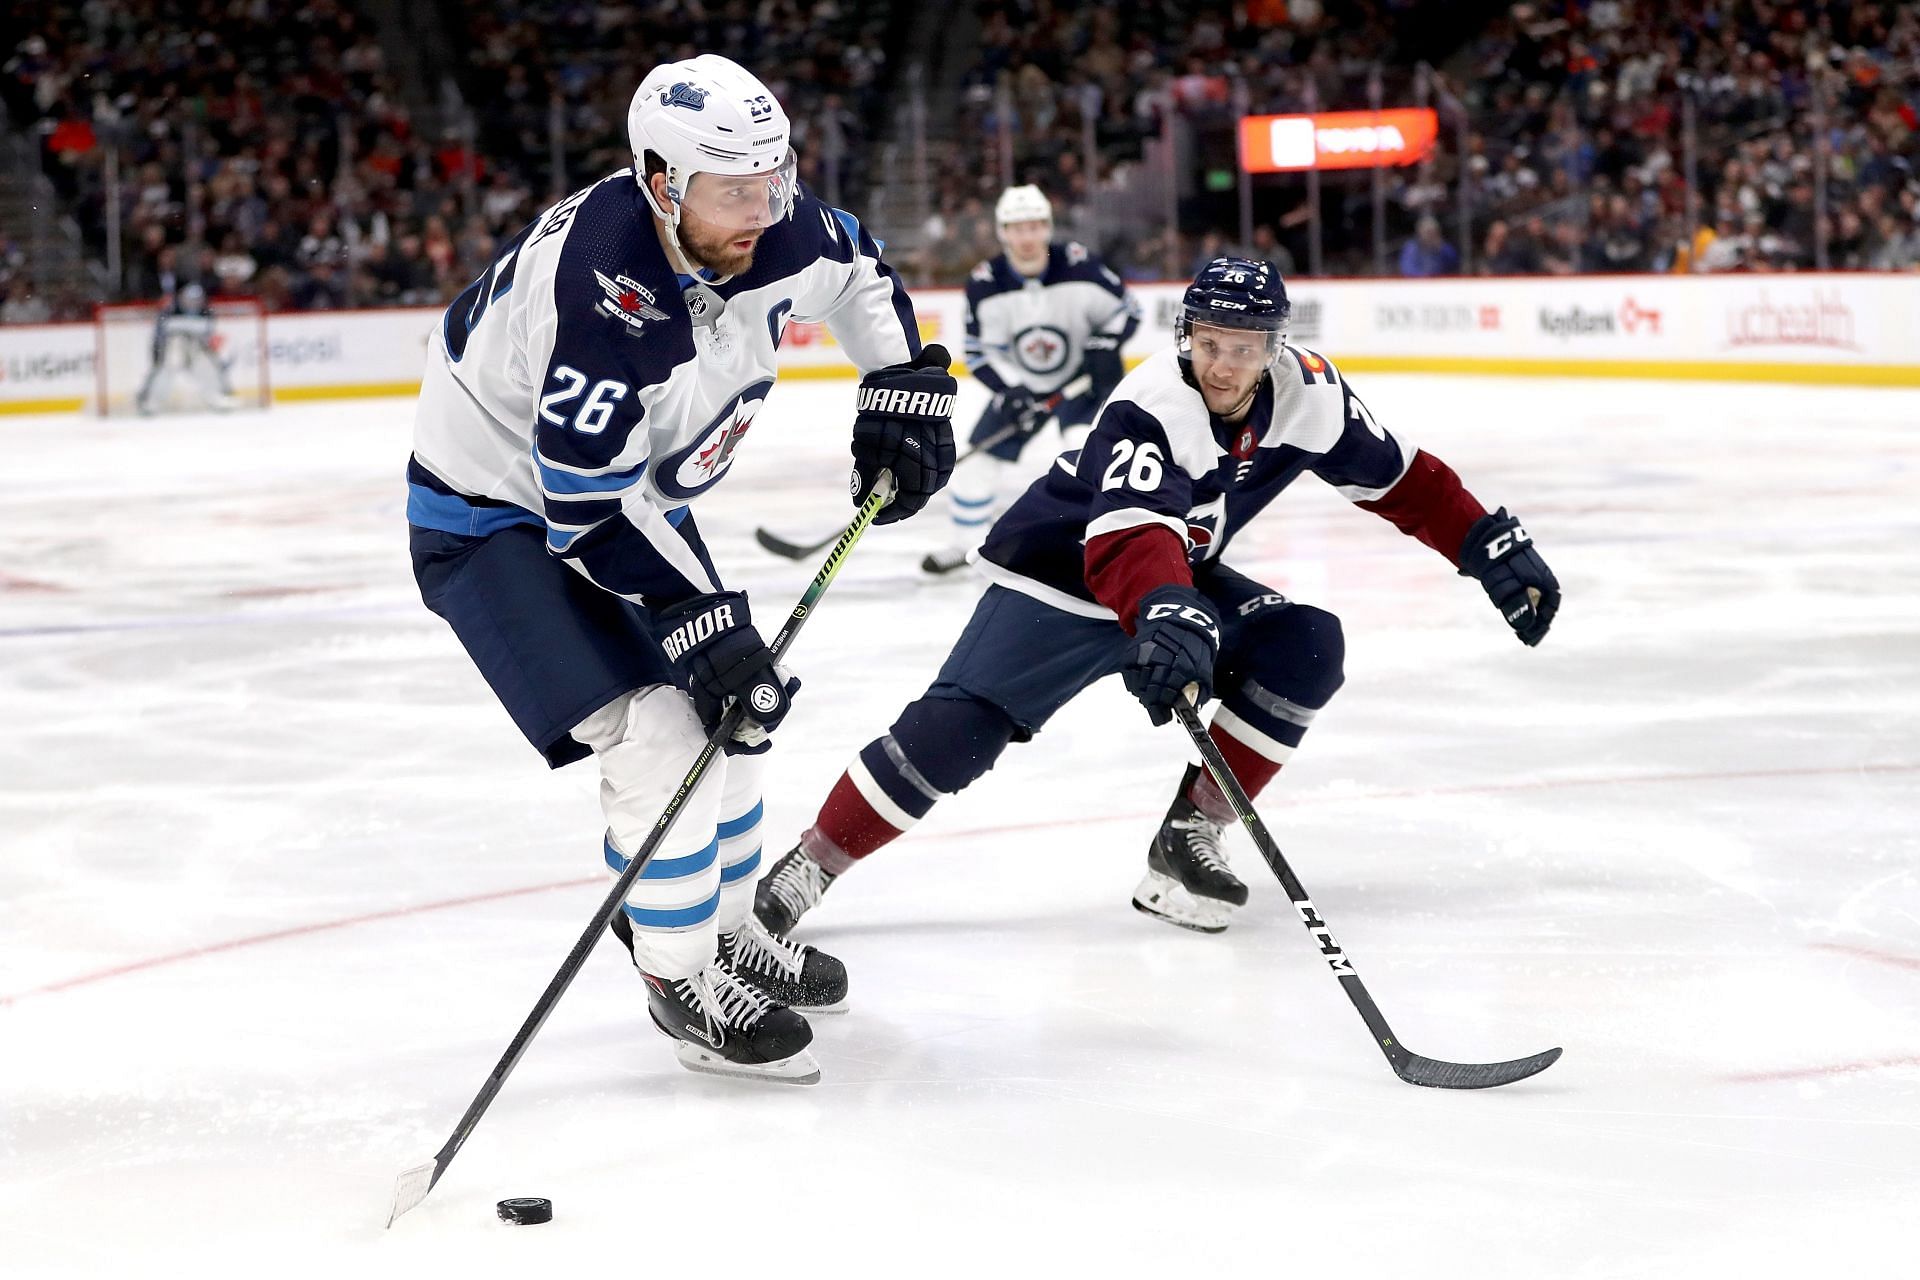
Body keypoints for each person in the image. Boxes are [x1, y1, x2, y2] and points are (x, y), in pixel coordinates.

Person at [405, 55, 956, 1084]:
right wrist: (700, 617)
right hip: (492, 518)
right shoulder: (607, 299)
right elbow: (580, 506)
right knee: (663, 730)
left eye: (774, 181)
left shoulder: (772, 218)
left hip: (626, 496)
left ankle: (734, 924)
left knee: (739, 710)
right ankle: (677, 973)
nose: (764, 210)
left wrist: (899, 381)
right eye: (733, 192)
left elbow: (861, 271)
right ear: (661, 181)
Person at [754, 257, 1559, 938]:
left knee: (1304, 645)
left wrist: (1485, 542)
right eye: (1210, 343)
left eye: (1244, 349)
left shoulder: (1311, 395)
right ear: (1186, 338)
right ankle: (811, 864)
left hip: (1174, 571)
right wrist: (1169, 612)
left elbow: (1403, 480)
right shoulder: (1153, 404)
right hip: (1065, 571)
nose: (1223, 365)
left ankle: (1191, 833)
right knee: (958, 732)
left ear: (1275, 347)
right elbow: (1126, 537)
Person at [923, 185, 1140, 575]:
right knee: (976, 467)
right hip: (1022, 386)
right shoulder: (985, 282)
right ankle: (966, 545)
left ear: (1048, 227)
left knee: (1085, 454)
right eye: (1017, 228)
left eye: (1036, 226)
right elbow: (977, 352)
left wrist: (1105, 344)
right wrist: (1011, 390)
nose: (1027, 237)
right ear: (1003, 232)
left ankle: (1100, 542)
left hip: (1081, 382)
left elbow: (1128, 310)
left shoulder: (1079, 264)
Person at [136, 283, 238, 415]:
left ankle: (217, 396)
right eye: (189, 299)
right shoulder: (170, 310)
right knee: (166, 369)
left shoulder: (206, 312)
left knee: (206, 368)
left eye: (196, 300)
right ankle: (151, 401)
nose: (192, 303)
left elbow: (209, 334)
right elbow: (161, 334)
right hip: (173, 347)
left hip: (196, 348)